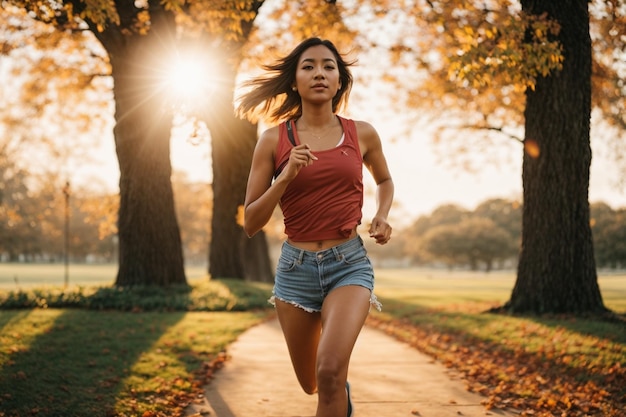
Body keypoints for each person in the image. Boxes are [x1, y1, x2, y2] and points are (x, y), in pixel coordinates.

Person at [236, 37, 394, 417]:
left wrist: (382, 214)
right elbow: (251, 223)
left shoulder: (363, 134)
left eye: (328, 66)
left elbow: (384, 181)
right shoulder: (273, 140)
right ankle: (340, 393)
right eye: (308, 66)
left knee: (328, 370)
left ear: (340, 81)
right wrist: (286, 176)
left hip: (348, 264)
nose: (319, 73)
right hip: (295, 271)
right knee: (313, 382)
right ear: (294, 80)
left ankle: (336, 385)